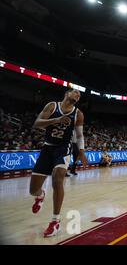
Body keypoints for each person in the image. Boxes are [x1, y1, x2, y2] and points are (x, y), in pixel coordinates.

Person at [29, 88, 87, 237]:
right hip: (47, 148)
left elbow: (80, 135)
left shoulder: (78, 114)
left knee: (57, 177)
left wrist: (81, 151)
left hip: (63, 148)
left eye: (79, 95)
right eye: (75, 92)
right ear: (67, 93)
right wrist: (56, 120)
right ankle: (40, 194)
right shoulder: (52, 106)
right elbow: (37, 123)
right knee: (32, 190)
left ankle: (55, 222)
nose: (78, 95)